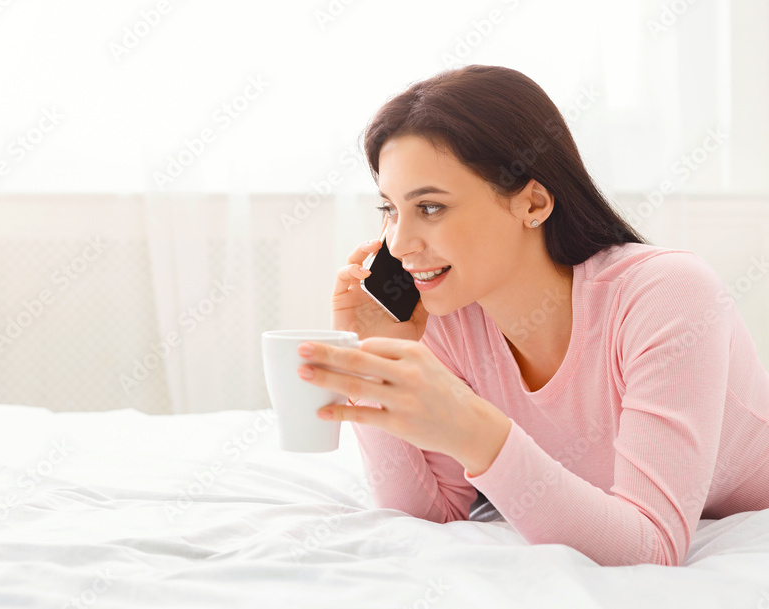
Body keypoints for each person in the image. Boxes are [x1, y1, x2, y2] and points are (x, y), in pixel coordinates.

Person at [293, 64, 769, 567]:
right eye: (389, 209)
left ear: (533, 203)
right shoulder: (446, 309)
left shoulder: (667, 294)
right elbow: (430, 515)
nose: (399, 244)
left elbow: (651, 548)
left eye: (429, 207)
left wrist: (478, 432)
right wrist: (375, 364)